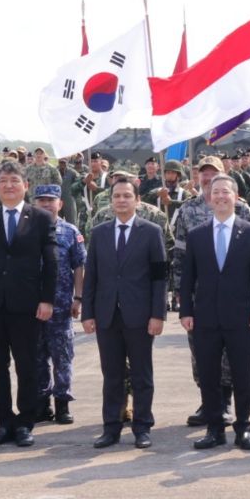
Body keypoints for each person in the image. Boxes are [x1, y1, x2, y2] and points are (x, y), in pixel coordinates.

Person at [0, 160, 58, 448]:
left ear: (25, 186)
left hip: (26, 305)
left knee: (27, 366)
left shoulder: (41, 218)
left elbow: (51, 263)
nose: (9, 186)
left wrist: (47, 299)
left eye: (14, 181)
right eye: (3, 181)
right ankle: (4, 422)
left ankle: (25, 423)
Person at [179, 175, 250, 451]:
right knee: (209, 376)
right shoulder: (197, 235)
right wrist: (185, 311)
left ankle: (243, 428)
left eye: (225, 192)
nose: (220, 197)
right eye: (215, 192)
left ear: (235, 196)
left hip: (240, 316)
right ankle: (214, 430)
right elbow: (187, 278)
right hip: (205, 317)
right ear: (209, 197)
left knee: (242, 376)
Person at [82, 180, 167, 449]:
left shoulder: (152, 232)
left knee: (141, 375)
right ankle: (111, 428)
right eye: (116, 196)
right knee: (112, 375)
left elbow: (159, 278)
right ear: (111, 200)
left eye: (127, 196)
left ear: (137, 200)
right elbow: (91, 275)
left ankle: (142, 427)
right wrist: (87, 313)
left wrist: (158, 314)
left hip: (140, 315)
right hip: (107, 314)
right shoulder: (99, 233)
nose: (121, 200)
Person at [33, 184, 86, 426]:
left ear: (60, 204)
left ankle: (62, 403)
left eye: (50, 200)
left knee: (62, 356)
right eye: (41, 200)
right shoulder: (27, 229)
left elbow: (79, 266)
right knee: (36, 357)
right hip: (32, 306)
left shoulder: (70, 231)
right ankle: (42, 404)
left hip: (62, 306)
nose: (46, 204)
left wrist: (78, 297)